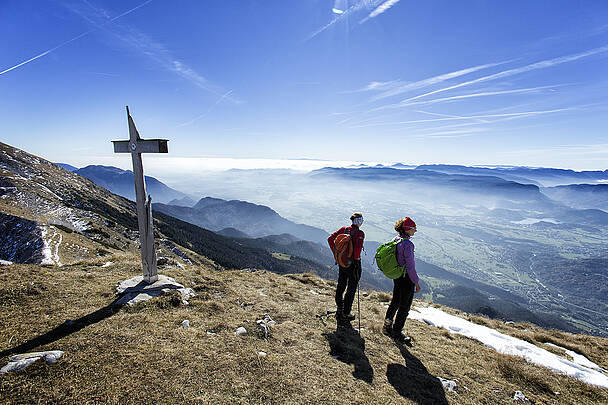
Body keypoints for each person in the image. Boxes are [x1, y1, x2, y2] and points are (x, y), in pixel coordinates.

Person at [383, 217, 421, 344]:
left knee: (395, 301)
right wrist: (416, 282)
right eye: (413, 229)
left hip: (397, 276)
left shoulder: (396, 240)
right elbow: (410, 266)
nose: (415, 231)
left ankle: (387, 326)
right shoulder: (408, 245)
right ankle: (397, 333)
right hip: (406, 278)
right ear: (408, 229)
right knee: (404, 307)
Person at [327, 212, 365, 322]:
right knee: (351, 288)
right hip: (353, 264)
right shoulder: (359, 233)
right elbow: (357, 253)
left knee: (341, 285)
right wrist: (356, 261)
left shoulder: (344, 229)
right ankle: (346, 313)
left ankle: (340, 309)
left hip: (342, 262)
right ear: (359, 221)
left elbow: (330, 239)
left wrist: (336, 253)